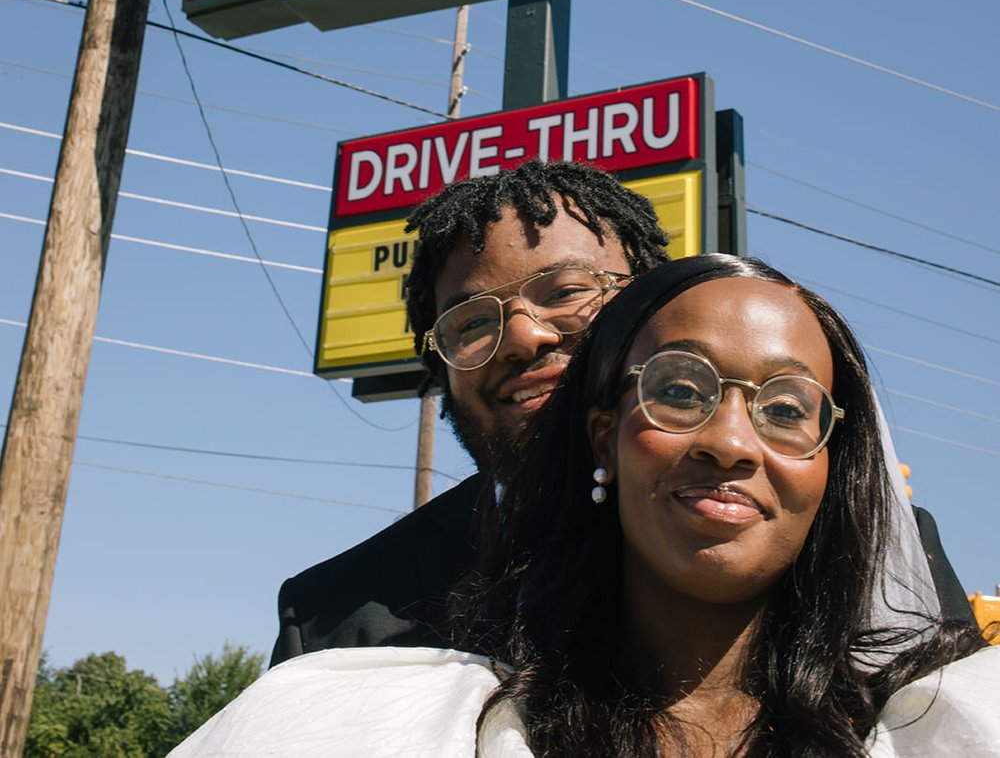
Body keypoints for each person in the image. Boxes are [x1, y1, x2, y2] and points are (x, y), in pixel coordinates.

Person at [171, 255, 998, 756]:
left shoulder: (946, 729)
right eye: (680, 390)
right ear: (602, 435)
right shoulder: (394, 727)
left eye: (786, 409)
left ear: (835, 468)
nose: (734, 442)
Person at [270, 161, 667, 662]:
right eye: (473, 321)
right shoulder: (331, 618)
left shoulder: (763, 530)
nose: (523, 338)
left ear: (655, 304)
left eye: (567, 292)